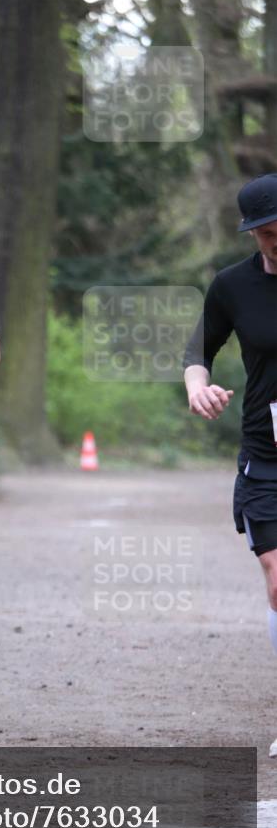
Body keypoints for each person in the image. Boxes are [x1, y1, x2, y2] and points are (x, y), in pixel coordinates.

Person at [183, 172, 277, 757]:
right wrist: (199, 386)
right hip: (266, 454)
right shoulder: (233, 286)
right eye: (263, 233)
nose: (273, 242)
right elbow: (199, 350)